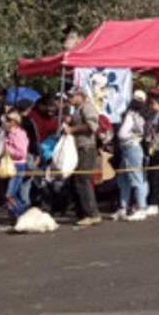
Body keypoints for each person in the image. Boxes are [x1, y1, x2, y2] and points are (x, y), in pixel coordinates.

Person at [63, 87, 103, 226]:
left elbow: (92, 126)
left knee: (83, 180)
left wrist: (72, 129)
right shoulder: (77, 110)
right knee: (76, 180)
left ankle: (92, 214)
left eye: (72, 96)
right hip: (77, 148)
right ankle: (82, 212)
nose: (69, 99)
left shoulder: (88, 107)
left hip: (86, 147)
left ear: (81, 95)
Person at [114, 92, 150, 220]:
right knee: (123, 179)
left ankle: (142, 208)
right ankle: (123, 207)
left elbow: (122, 134)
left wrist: (131, 138)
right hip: (131, 148)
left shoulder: (131, 115)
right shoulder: (140, 116)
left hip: (131, 147)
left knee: (136, 178)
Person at [1, 109, 32, 220]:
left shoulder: (18, 134)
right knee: (10, 194)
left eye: (9, 120)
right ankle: (14, 218)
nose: (6, 122)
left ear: (16, 122)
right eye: (6, 120)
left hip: (18, 165)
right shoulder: (8, 134)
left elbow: (22, 152)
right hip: (9, 165)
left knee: (10, 195)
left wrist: (8, 150)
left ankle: (23, 216)